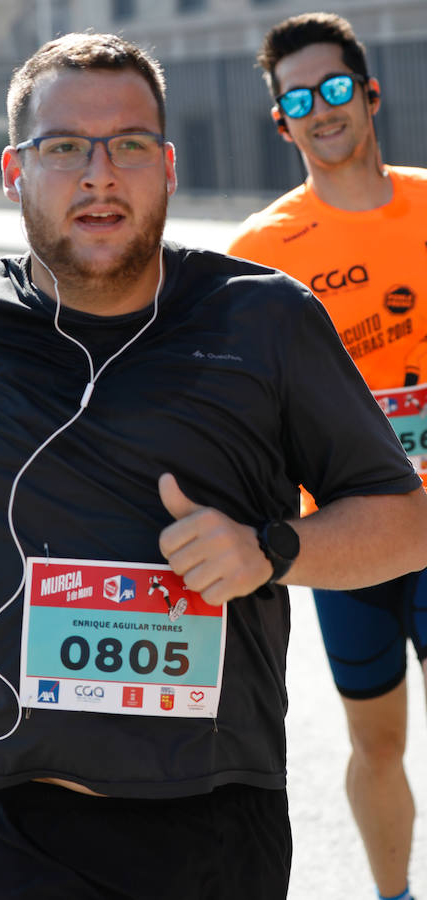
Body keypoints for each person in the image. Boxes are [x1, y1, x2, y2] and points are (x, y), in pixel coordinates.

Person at [0, 32, 426, 900]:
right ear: (16, 168)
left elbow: (406, 522)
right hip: (9, 815)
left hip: (217, 818)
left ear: (169, 166)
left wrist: (271, 549)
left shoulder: (263, 319)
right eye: (65, 146)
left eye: (130, 146)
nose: (100, 173)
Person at [227, 13, 427, 900]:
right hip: (352, 539)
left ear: (370, 93)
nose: (322, 109)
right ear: (282, 124)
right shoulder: (259, 255)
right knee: (376, 744)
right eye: (299, 100)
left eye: (336, 88)